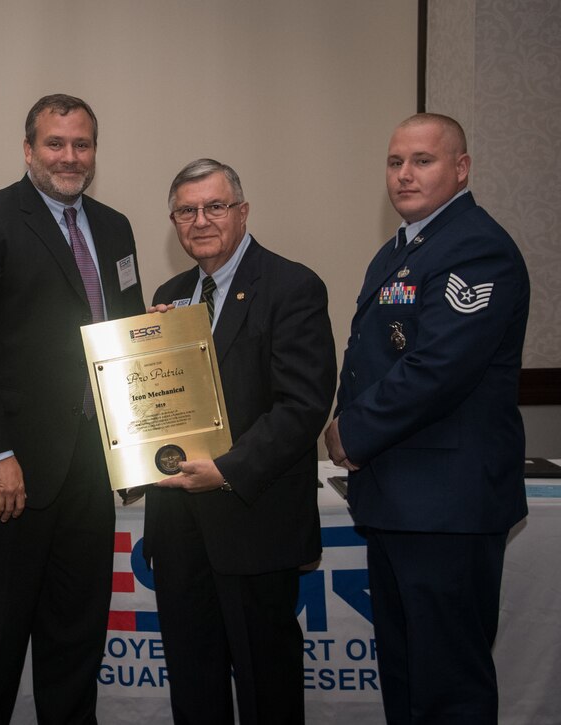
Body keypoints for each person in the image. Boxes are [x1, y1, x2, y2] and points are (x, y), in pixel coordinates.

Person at [0, 93, 146, 724]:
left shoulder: (115, 227)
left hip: (90, 468)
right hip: (12, 474)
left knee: (77, 636)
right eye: (55, 144)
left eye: (81, 144)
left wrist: (152, 339)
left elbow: (123, 329)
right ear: (29, 149)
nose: (69, 157)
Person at [325, 113, 530, 724]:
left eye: (423, 161)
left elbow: (438, 369)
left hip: (448, 507)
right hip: (400, 501)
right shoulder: (404, 248)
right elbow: (370, 356)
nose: (404, 175)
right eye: (395, 162)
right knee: (408, 677)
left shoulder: (477, 248)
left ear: (460, 169)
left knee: (448, 689)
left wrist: (349, 431)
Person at [142, 158, 336, 725]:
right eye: (186, 210)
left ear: (242, 212)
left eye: (215, 207)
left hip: (255, 523)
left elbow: (302, 406)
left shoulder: (292, 286)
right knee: (193, 687)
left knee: (266, 685)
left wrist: (226, 469)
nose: (200, 220)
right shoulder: (170, 294)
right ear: (174, 221)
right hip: (180, 531)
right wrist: (149, 348)